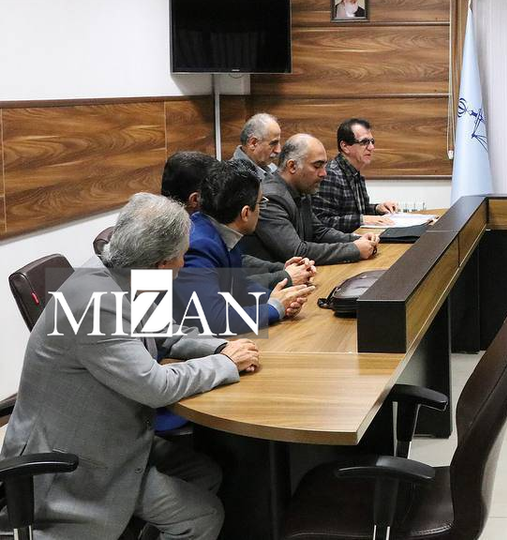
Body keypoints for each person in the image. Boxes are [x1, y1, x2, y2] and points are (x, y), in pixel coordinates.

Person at [0, 193, 260, 540]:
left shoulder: (121, 272)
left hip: (113, 437)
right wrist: (224, 364)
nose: (184, 263)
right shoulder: (96, 304)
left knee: (204, 472)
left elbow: (168, 333)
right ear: (161, 263)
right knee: (203, 516)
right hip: (74, 465)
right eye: (182, 255)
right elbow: (155, 386)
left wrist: (221, 346)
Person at [175, 160, 315, 335]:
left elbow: (240, 288)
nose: (261, 209)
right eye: (260, 202)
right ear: (246, 213)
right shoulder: (198, 245)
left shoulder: (221, 231)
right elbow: (213, 319)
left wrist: (279, 298)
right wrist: (274, 308)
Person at [160, 151, 315, 290]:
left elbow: (237, 272)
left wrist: (282, 270)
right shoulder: (197, 242)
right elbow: (217, 302)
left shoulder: (218, 229)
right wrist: (277, 299)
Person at [240, 134, 380, 264]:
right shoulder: (270, 198)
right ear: (292, 166)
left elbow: (319, 232)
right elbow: (296, 251)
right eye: (317, 166)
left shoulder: (301, 189)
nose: (324, 173)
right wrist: (354, 249)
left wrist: (357, 239)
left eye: (324, 166)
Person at [313, 117, 400, 232]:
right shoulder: (331, 175)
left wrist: (377, 208)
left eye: (372, 142)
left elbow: (357, 212)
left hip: (357, 238)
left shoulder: (355, 173)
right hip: (341, 242)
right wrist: (362, 220)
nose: (371, 147)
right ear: (345, 146)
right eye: (364, 142)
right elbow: (322, 222)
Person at [231, 113, 281, 180]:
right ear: (253, 143)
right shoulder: (231, 177)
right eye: (273, 143)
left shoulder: (273, 168)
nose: (278, 150)